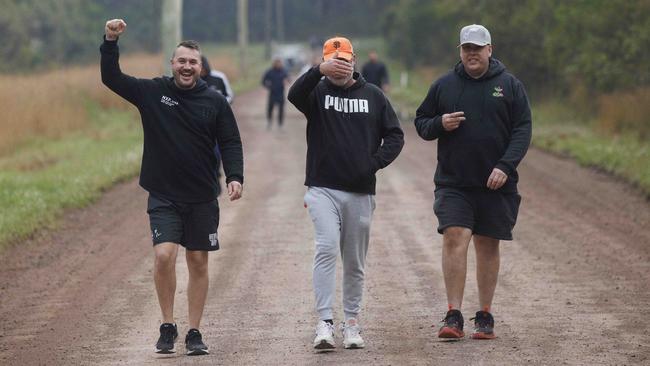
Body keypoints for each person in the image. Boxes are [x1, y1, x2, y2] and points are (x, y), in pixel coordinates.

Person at [101, 19, 244, 356]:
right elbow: (111, 78)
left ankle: (194, 332)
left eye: (193, 62)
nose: (186, 67)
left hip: (202, 196)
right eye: (181, 61)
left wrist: (235, 176)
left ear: (200, 67)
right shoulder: (153, 92)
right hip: (164, 194)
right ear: (172, 64)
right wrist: (110, 41)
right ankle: (168, 325)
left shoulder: (215, 101)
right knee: (164, 256)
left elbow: (231, 141)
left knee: (198, 261)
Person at [414, 24, 532, 340]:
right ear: (460, 51)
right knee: (454, 235)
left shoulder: (510, 86)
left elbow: (522, 130)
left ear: (490, 50)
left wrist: (505, 166)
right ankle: (453, 314)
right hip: (454, 182)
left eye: (478, 48)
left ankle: (485, 315)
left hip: (496, 182)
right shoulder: (444, 86)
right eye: (467, 48)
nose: (472, 53)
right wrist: (440, 123)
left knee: (486, 243)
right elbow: (421, 124)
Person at [288, 37, 404, 350]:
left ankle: (351, 321)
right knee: (326, 249)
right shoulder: (316, 92)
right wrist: (317, 70)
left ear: (354, 60)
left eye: (344, 58)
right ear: (326, 61)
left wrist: (373, 164)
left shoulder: (373, 96)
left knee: (354, 261)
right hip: (322, 188)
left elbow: (395, 135)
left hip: (360, 191)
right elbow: (293, 94)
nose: (339, 64)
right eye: (333, 59)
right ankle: (324, 321)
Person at [200, 55, 234, 197]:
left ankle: (216, 177)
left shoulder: (219, 77)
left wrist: (217, 106)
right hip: (199, 126)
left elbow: (230, 95)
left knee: (216, 153)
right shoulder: (192, 80)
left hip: (217, 124)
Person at [261, 58, 289, 129]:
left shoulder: (283, 71)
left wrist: (286, 81)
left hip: (281, 93)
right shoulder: (270, 71)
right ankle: (269, 122)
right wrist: (268, 86)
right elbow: (263, 81)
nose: (278, 64)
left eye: (279, 63)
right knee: (270, 109)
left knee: (281, 110)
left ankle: (280, 124)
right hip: (272, 93)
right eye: (277, 63)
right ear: (274, 63)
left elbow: (288, 78)